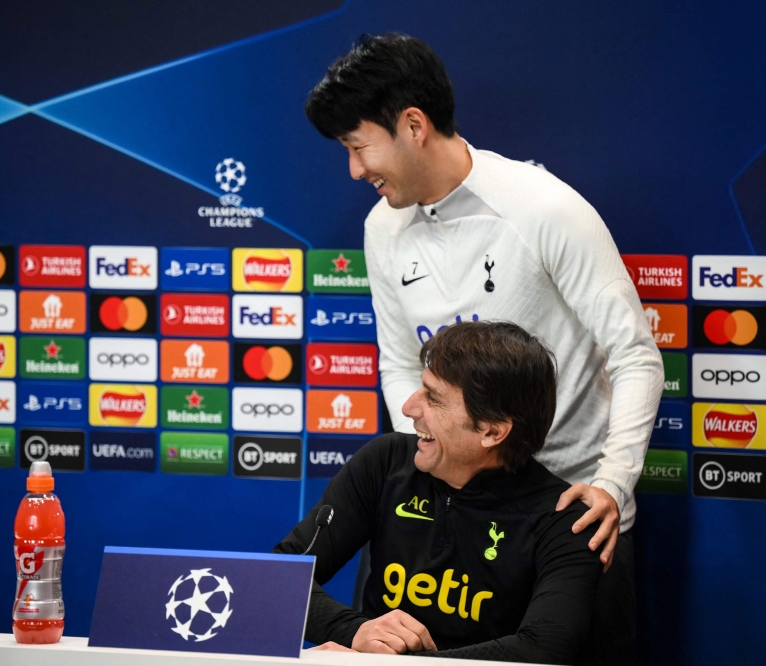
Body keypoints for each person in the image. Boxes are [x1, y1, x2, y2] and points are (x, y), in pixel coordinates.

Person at [304, 33, 664, 663]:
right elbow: (396, 361)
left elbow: (634, 354)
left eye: (359, 147)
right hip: (440, 523)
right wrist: (430, 458)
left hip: (567, 523)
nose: (356, 170)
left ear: (413, 125)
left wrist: (611, 484)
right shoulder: (382, 227)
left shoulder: (545, 209)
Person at [275, 322, 602, 663]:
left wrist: (398, 663)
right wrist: (354, 631)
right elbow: (276, 579)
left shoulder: (565, 519)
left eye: (433, 398)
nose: (409, 408)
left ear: (491, 431)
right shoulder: (384, 462)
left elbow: (545, 649)